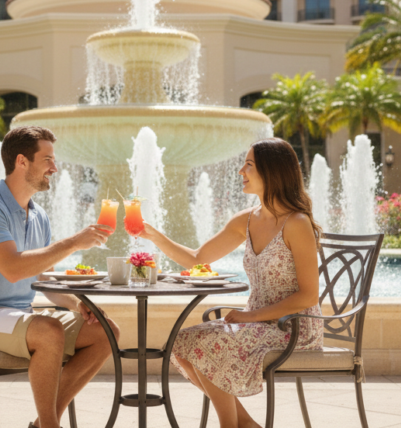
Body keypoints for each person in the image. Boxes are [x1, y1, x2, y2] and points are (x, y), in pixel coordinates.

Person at [136, 137, 324, 428]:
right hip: (257, 324)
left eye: (249, 165)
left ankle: (229, 425)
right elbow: (198, 259)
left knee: (215, 342)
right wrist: (155, 236)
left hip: (294, 329)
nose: (241, 171)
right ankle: (245, 424)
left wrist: (250, 316)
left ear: (271, 171)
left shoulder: (296, 223)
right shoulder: (246, 220)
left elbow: (309, 295)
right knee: (181, 342)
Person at [0, 126, 121, 428]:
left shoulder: (38, 215)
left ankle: (43, 423)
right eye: (47, 159)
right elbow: (13, 269)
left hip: (18, 316)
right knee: (48, 331)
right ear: (21, 162)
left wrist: (77, 304)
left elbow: (45, 281)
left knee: (106, 331)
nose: (55, 168)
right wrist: (72, 243)